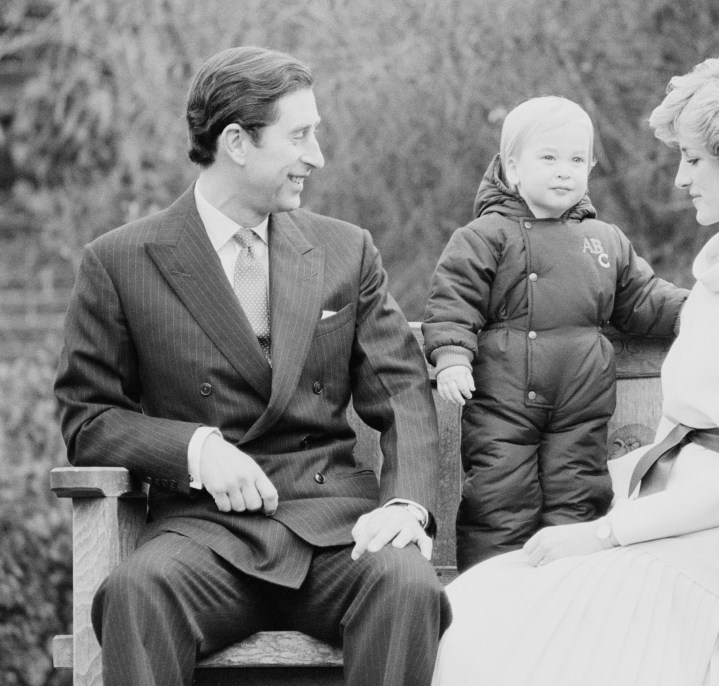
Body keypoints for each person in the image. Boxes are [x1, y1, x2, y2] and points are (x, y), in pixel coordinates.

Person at [431, 43, 719, 686]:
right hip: (663, 524)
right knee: (466, 601)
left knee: (492, 628)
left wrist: (605, 535)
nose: (680, 179)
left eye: (693, 160)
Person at [53, 46, 450, 686]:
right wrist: (195, 450)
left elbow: (402, 391)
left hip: (334, 531)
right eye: (299, 136)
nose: (316, 157)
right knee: (134, 593)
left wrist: (405, 506)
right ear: (236, 141)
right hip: (206, 537)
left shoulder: (346, 251)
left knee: (406, 583)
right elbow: (88, 417)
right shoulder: (120, 262)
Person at [422, 96, 688, 572]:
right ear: (512, 168)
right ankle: (492, 592)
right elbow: (452, 302)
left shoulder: (604, 241)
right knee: (499, 498)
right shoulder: (484, 236)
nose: (564, 171)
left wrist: (700, 311)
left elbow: (644, 299)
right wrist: (452, 356)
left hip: (580, 407)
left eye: (576, 160)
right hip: (503, 405)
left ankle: (566, 593)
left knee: (578, 495)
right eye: (548, 158)